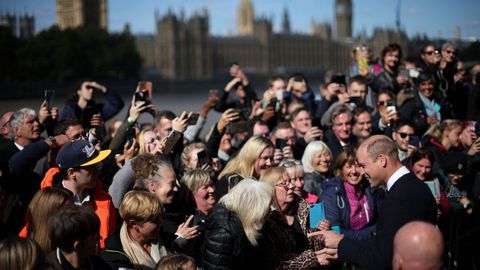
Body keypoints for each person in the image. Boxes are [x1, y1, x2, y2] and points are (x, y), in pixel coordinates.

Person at [315, 135, 437, 270]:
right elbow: (384, 243)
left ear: (382, 160)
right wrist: (342, 245)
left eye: (363, 165)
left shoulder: (399, 197)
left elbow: (382, 259)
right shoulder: (416, 187)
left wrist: (341, 244)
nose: (361, 172)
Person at [40, 140, 115, 248]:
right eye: (91, 167)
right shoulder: (48, 203)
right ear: (71, 173)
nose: (98, 171)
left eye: (98, 165)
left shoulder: (105, 200)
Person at [259, 167, 330, 269]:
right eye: (285, 184)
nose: (292, 186)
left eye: (290, 182)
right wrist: (313, 258)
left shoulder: (306, 210)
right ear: (270, 188)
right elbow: (275, 263)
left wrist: (323, 232)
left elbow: (320, 250)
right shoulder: (264, 221)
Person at [202, 179, 273, 270]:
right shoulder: (223, 232)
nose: (270, 210)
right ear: (253, 207)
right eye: (266, 207)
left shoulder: (247, 221)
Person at [321, 148, 380, 240]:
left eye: (358, 166)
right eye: (349, 166)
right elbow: (335, 231)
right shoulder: (331, 194)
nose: (354, 171)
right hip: (344, 246)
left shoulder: (371, 189)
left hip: (372, 244)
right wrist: (369, 234)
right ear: (341, 170)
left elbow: (381, 222)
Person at [101, 191, 166, 269]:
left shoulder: (169, 241)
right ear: (134, 224)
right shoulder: (112, 256)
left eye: (161, 218)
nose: (161, 224)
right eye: (155, 221)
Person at [19, 187, 74, 254]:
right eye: (67, 212)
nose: (74, 217)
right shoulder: (23, 252)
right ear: (48, 216)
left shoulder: (72, 245)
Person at [58, 80, 124, 129]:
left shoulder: (97, 110)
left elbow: (117, 104)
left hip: (96, 145)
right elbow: (58, 129)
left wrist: (102, 88)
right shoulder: (68, 111)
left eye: (93, 88)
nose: (91, 90)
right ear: (79, 91)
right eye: (88, 87)